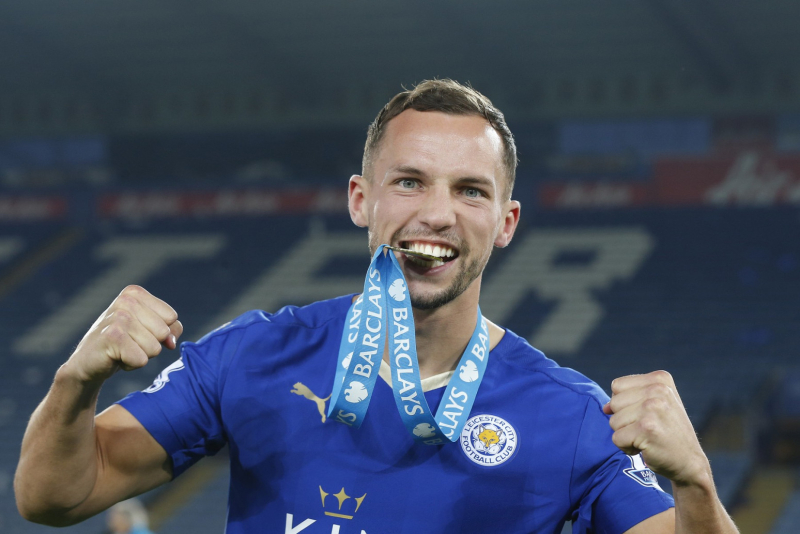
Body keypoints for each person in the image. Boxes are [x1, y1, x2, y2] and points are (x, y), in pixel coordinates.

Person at [14, 79, 738, 533]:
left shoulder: (571, 418)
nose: (438, 214)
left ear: (506, 222)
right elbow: (53, 497)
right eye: (410, 182)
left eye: (471, 191)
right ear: (362, 201)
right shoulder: (253, 355)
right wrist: (76, 381)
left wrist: (696, 482)